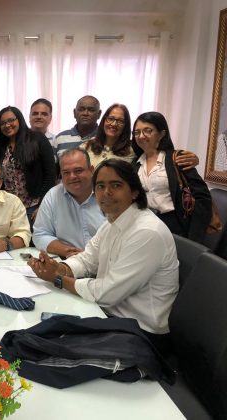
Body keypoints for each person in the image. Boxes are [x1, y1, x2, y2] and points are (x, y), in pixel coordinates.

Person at [28, 159, 179, 352]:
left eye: (116, 185)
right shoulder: (112, 222)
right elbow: (87, 259)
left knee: (44, 347)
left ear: (134, 191)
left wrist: (58, 279)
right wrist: (60, 268)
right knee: (38, 331)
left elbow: (107, 294)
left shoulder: (146, 232)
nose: (106, 192)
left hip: (141, 334)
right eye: (100, 186)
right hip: (110, 317)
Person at [133, 111, 212, 243]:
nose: (141, 136)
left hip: (174, 227)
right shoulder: (135, 164)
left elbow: (202, 197)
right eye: (137, 132)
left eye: (148, 130)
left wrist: (194, 237)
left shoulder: (177, 159)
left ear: (161, 134)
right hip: (143, 225)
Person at [32, 149, 105, 258]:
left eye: (78, 170)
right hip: (69, 261)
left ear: (91, 170)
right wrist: (67, 251)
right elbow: (40, 235)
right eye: (66, 172)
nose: (72, 177)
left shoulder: (107, 194)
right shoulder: (53, 196)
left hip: (106, 262)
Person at [0, 106, 56, 225]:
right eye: (3, 123)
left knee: (32, 236)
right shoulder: (0, 146)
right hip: (8, 207)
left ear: (19, 120)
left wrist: (42, 205)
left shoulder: (37, 139)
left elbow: (50, 174)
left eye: (11, 120)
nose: (7, 125)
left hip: (33, 206)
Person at [81, 103, 136, 168]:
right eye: (110, 119)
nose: (114, 124)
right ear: (104, 120)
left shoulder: (131, 152)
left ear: (125, 126)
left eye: (120, 121)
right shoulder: (86, 146)